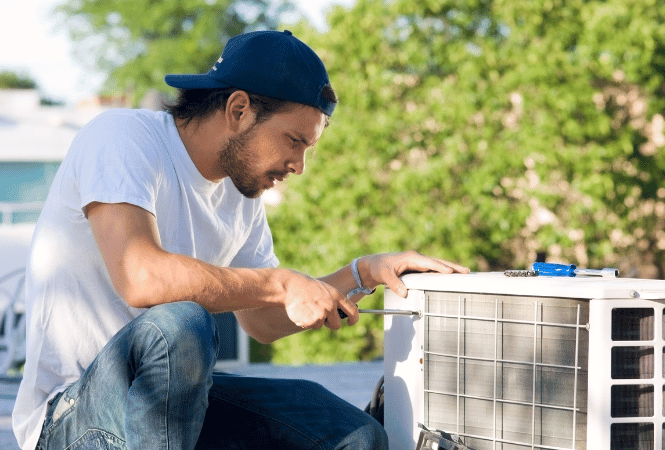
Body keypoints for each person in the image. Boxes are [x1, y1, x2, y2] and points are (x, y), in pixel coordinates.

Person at [12, 29, 468, 450]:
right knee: (180, 327)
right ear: (238, 110)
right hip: (71, 420)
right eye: (293, 140)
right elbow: (140, 277)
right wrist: (283, 283)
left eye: (307, 148)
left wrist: (361, 273)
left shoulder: (240, 195)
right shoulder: (122, 137)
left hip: (176, 413)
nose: (299, 165)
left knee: (352, 435)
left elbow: (263, 321)